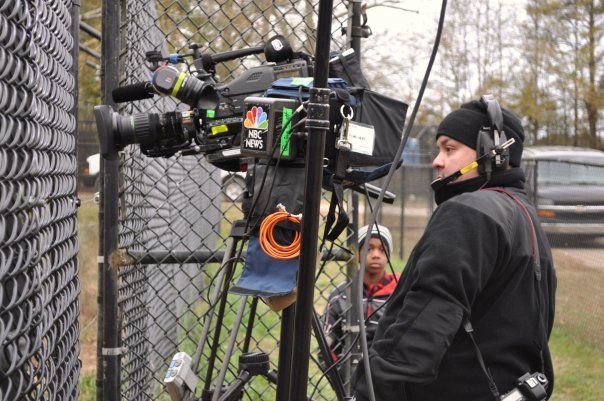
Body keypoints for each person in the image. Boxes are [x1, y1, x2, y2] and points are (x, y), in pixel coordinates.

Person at [353, 98, 557, 401]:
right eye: (438, 149)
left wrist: (374, 386)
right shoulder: (522, 214)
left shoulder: (469, 211)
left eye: (449, 149)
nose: (437, 160)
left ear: (493, 154)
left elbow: (429, 314)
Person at [323, 224, 400, 361]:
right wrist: (341, 378)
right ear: (357, 254)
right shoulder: (340, 295)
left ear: (388, 255)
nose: (376, 255)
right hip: (347, 373)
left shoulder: (398, 293)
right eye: (369, 249)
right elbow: (327, 346)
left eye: (382, 250)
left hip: (388, 371)